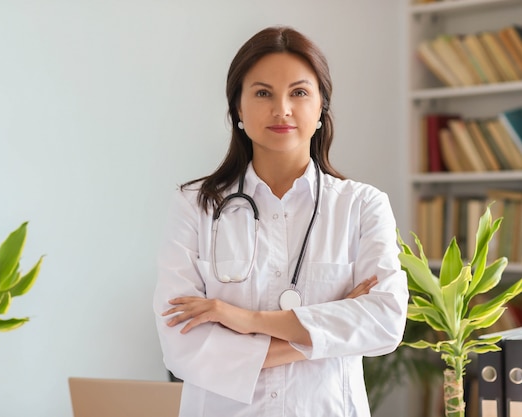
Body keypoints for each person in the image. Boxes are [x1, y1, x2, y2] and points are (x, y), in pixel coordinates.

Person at [153, 26, 408, 417]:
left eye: (299, 92)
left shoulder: (362, 206)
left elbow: (385, 323)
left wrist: (244, 319)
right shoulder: (196, 206)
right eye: (262, 93)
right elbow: (183, 349)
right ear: (237, 108)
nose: (282, 108)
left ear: (322, 106)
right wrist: (327, 332)